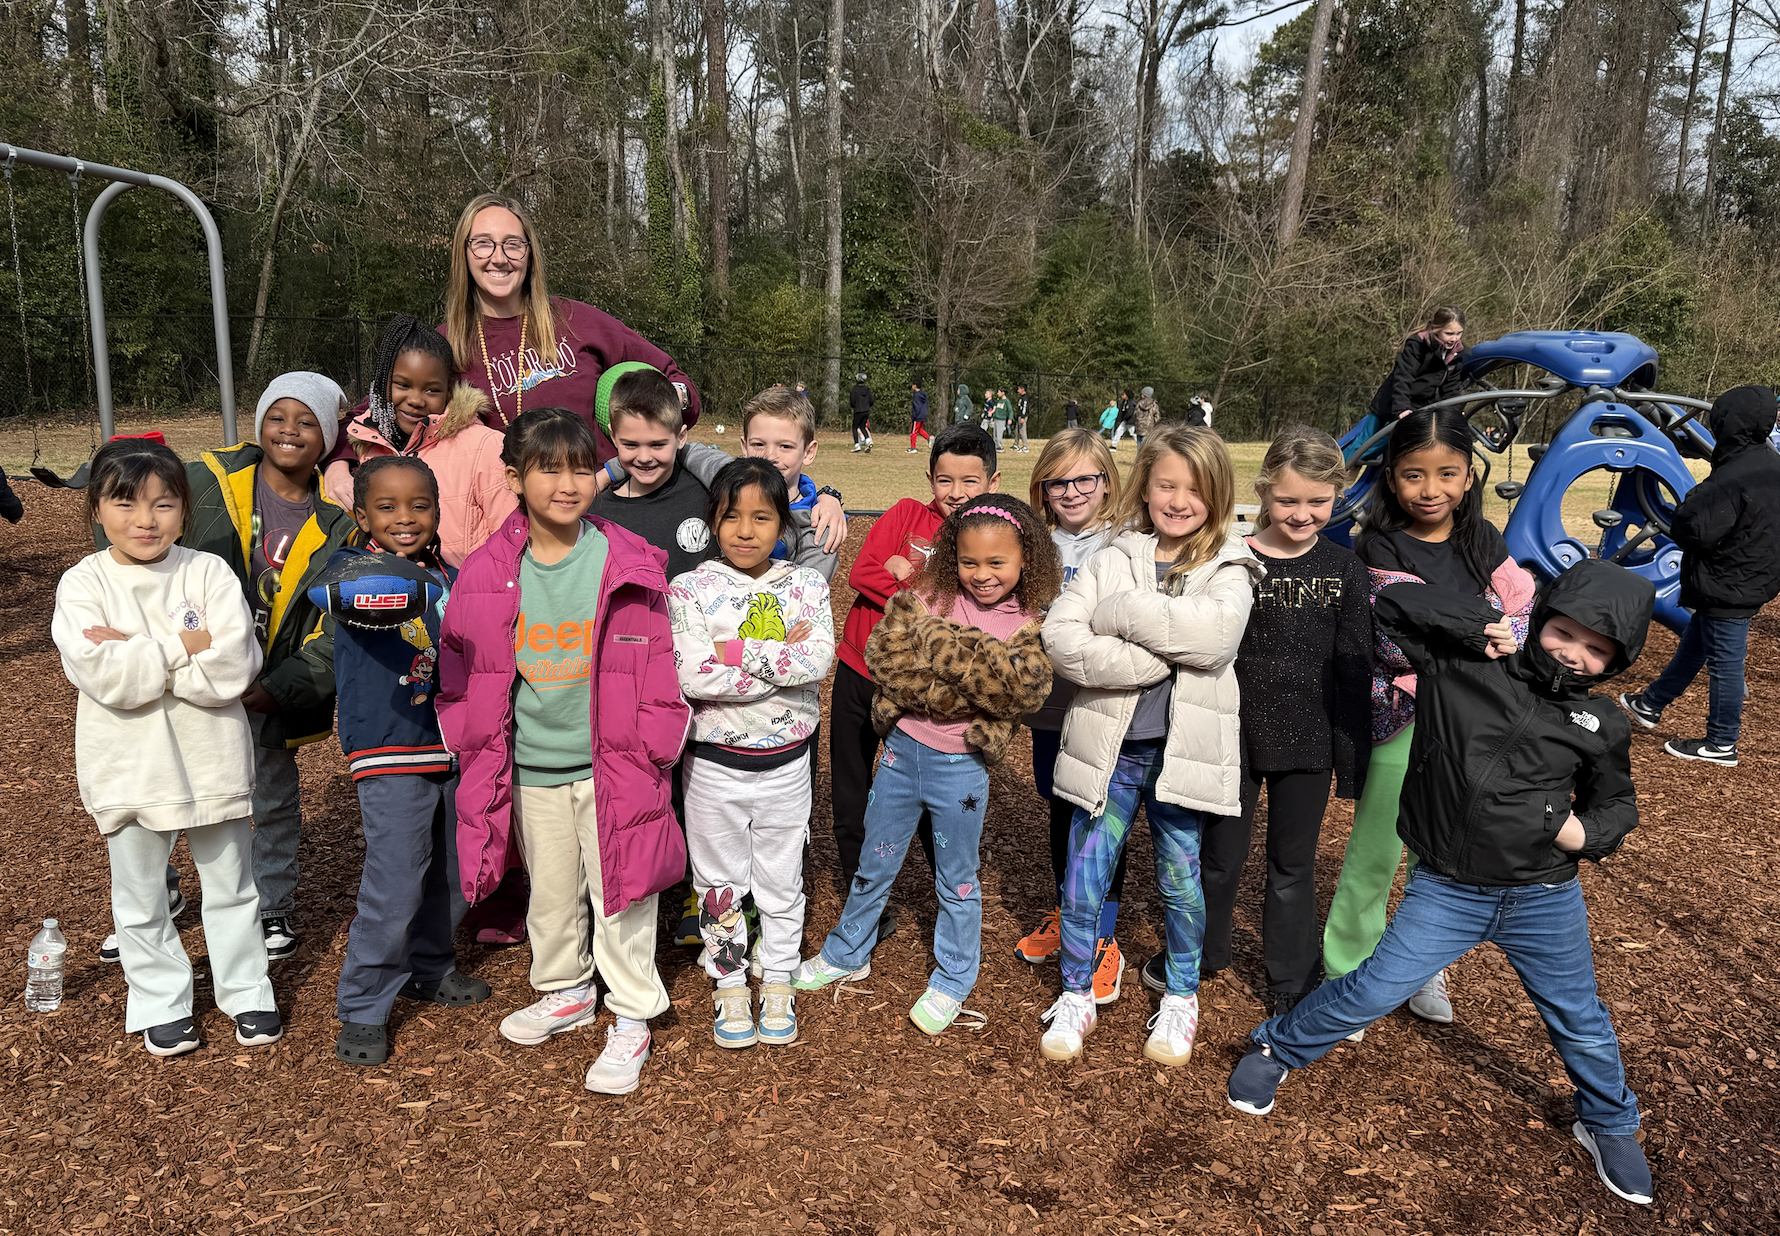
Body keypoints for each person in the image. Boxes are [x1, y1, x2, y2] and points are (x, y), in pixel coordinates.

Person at [1227, 558, 1658, 1209]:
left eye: (1598, 650)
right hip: (1449, 890)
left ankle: (1608, 1122)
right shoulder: (1466, 666)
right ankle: (1277, 1047)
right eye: (1563, 633)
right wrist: (1486, 623)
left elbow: (1617, 807)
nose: (1575, 655)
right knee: (1374, 986)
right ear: (1540, 619)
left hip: (1543, 896)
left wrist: (1581, 833)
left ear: (1616, 662)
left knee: (1580, 1019)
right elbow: (1394, 609)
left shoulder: (1600, 724)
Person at [438, 408, 691, 1096]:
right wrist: (473, 744)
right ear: (517, 477)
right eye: (548, 467)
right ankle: (566, 989)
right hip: (532, 768)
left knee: (622, 893)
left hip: (614, 766)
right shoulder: (490, 570)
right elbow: (460, 668)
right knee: (550, 894)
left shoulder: (624, 558)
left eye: (582, 466)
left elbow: (660, 665)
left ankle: (632, 1011)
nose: (568, 482)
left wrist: (655, 745)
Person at [1038, 425, 1262, 1066]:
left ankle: (1182, 998)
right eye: (1166, 484)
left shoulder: (1229, 563)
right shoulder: (1114, 556)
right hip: (1111, 749)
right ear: (1145, 485)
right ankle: (1075, 993)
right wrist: (1151, 662)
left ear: (1216, 494)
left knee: (1181, 881)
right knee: (1085, 879)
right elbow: (1063, 636)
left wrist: (1126, 611)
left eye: (1194, 488)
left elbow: (1215, 640)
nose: (1179, 499)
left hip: (1179, 753)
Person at [795, 494, 1057, 1035]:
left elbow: (1018, 691)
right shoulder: (931, 591)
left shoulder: (1028, 623)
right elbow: (887, 661)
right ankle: (849, 950)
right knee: (875, 861)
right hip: (900, 754)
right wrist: (975, 667)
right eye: (968, 562)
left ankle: (954, 978)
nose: (981, 576)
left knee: (957, 878)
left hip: (961, 768)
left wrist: (934, 645)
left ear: (1025, 559)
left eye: (996, 563)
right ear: (950, 557)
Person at [54, 439, 279, 1057]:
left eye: (164, 503)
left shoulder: (207, 572)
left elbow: (233, 668)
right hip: (129, 767)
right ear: (96, 510)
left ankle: (247, 990)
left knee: (233, 886)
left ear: (185, 510)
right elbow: (106, 678)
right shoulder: (83, 583)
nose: (145, 520)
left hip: (212, 761)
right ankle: (160, 999)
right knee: (141, 896)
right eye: (125, 504)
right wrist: (185, 644)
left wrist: (136, 644)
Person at [1327, 407, 1535, 1037]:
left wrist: (1511, 630)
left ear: (1470, 476)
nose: (1431, 489)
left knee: (1440, 852)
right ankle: (1347, 972)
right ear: (1391, 479)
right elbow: (1399, 621)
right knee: (1377, 848)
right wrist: (1482, 625)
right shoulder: (1378, 546)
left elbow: (1520, 602)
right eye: (1414, 475)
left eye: (1448, 473)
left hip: (1472, 720)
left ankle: (1422, 966)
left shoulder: (1484, 541)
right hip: (1405, 715)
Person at [155, 373, 356, 964]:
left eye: (307, 421)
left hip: (265, 690)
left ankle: (271, 906)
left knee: (268, 800)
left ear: (327, 438)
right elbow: (137, 536)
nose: (289, 430)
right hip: (186, 679)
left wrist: (280, 687)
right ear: (259, 421)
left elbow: (333, 627)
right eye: (278, 415)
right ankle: (156, 898)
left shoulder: (336, 523)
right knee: (168, 792)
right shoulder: (206, 483)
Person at [1186, 427, 1372, 1013]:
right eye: (1288, 500)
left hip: (1308, 742)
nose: (1302, 513)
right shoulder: (1229, 556)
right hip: (1230, 734)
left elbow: (1353, 668)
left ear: (1336, 498)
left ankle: (1291, 976)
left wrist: (1351, 759)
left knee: (1292, 866)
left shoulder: (1344, 568)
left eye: (1317, 502)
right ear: (1264, 492)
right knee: (1218, 859)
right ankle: (1202, 953)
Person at [325, 456, 489, 1066]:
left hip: (453, 742)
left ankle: (430, 965)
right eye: (387, 507)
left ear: (438, 511)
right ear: (362, 515)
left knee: (452, 872)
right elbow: (360, 599)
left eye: (419, 505)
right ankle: (364, 1005)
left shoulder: (451, 572)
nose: (405, 517)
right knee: (394, 880)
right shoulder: (351, 572)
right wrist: (420, 584)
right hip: (391, 746)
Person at [669, 459, 836, 1050]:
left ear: (781, 524)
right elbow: (689, 672)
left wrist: (732, 651)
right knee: (717, 884)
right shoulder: (689, 590)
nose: (745, 529)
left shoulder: (805, 586)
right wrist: (773, 661)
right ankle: (730, 982)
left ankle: (780, 976)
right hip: (713, 769)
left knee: (781, 880)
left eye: (761, 517)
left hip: (788, 767)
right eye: (731, 516)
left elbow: (816, 660)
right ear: (713, 522)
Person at [830, 423, 1001, 941]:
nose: (956, 493)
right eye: (945, 480)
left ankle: (947, 899)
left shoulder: (987, 538)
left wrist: (904, 578)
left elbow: (974, 612)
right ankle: (866, 904)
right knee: (852, 786)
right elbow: (863, 574)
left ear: (991, 483)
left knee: (929, 789)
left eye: (970, 481)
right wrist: (923, 593)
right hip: (860, 668)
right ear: (930, 478)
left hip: (919, 690)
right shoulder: (907, 514)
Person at [439, 192, 700, 462]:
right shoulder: (444, 346)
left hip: (603, 497)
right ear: (464, 252)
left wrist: (665, 400)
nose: (500, 258)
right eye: (483, 244)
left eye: (513, 244)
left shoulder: (577, 320)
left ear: (529, 254)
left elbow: (678, 382)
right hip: (508, 501)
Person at [1016, 429, 1129, 1002]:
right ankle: (1068, 909)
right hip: (1049, 703)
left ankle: (1103, 934)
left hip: (1105, 703)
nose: (1072, 491)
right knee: (1059, 804)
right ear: (1042, 487)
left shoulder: (1128, 542)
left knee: (1100, 813)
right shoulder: (1033, 542)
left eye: (1085, 478)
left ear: (1106, 482)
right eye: (1058, 481)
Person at [1620, 384, 1780, 766]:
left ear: (1727, 424)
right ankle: (1650, 703)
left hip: (1730, 582)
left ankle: (1722, 742)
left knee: (1725, 664)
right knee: (1696, 642)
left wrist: (1688, 508)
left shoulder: (1732, 476)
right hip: (1752, 575)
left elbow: (1695, 530)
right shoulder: (1770, 465)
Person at [322, 315, 516, 567]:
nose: (416, 400)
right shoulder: (365, 444)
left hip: (465, 597)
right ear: (382, 384)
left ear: (448, 391)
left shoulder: (485, 446)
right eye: (402, 385)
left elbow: (512, 540)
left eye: (431, 390)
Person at [606, 383, 847, 581]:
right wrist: (608, 473)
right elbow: (669, 446)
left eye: (785, 446)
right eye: (758, 444)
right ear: (744, 446)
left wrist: (829, 498)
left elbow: (807, 596)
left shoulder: (819, 526)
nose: (770, 456)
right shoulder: (727, 475)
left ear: (809, 452)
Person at [1369, 307, 1466, 422]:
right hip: (1391, 404)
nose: (1454, 339)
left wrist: (1453, 412)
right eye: (1449, 333)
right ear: (1436, 329)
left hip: (1420, 408)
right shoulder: (1418, 345)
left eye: (1459, 333)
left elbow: (1451, 388)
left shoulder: (1456, 353)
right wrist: (1401, 408)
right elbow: (1403, 377)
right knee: (1370, 436)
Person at [849, 372, 875, 453]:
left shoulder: (854, 390)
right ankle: (868, 440)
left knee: (855, 427)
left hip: (858, 411)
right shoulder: (867, 390)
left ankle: (857, 445)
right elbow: (871, 400)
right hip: (866, 411)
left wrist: (855, 406)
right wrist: (867, 406)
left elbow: (852, 401)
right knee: (863, 427)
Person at [909, 380, 931, 452]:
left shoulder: (916, 395)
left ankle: (913, 447)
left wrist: (914, 416)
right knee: (919, 429)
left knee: (913, 431)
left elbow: (917, 407)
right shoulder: (923, 394)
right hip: (923, 415)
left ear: (915, 386)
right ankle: (928, 438)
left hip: (917, 416)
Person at [1013, 385, 1031, 452]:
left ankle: (1025, 446)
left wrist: (1023, 417)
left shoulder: (1025, 398)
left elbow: (1024, 407)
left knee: (1022, 431)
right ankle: (1016, 444)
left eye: (1019, 389)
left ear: (1022, 389)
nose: (1018, 390)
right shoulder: (1021, 398)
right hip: (1019, 416)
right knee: (1017, 430)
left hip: (1022, 416)